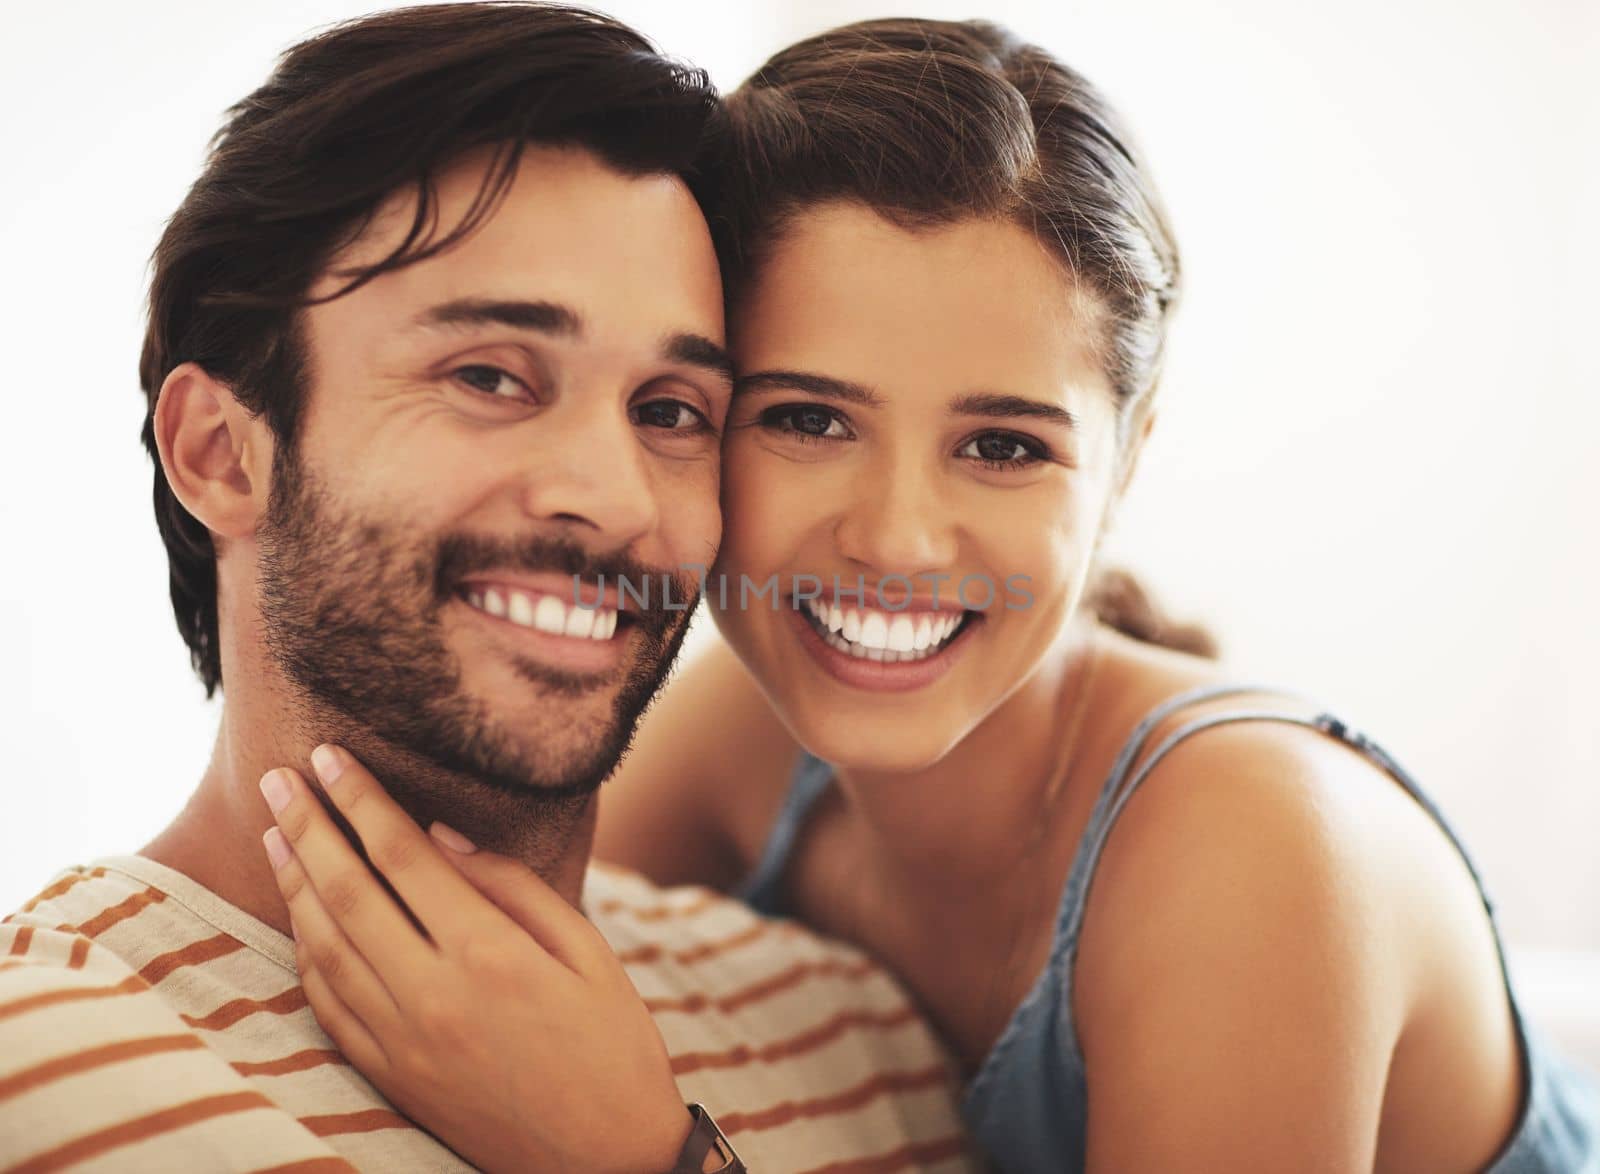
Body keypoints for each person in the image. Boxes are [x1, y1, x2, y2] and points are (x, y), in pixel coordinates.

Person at [263, 15, 1600, 1174]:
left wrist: (643, 1153)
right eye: (806, 420)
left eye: (1004, 445)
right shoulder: (743, 736)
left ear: (1127, 457)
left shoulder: (1258, 848)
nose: (898, 538)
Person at [0, 7, 980, 1172]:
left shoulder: (853, 1031)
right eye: (491, 376)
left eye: (671, 411)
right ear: (221, 451)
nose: (614, 499)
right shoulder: (41, 1060)